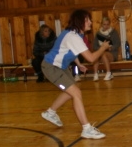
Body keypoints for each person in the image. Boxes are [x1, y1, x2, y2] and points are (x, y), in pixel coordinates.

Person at [40, 9, 111, 140]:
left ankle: (50, 112)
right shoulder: (73, 37)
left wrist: (78, 64)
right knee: (76, 93)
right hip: (52, 68)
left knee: (70, 92)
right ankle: (86, 129)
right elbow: (91, 58)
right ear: (79, 22)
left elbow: (71, 50)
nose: (90, 22)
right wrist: (103, 48)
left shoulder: (75, 34)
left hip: (61, 67)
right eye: (87, 20)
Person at [91, 16, 120, 81]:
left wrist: (111, 48)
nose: (106, 26)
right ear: (101, 24)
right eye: (104, 24)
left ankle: (108, 73)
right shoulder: (98, 34)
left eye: (107, 24)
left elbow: (117, 43)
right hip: (101, 52)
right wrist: (102, 48)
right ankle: (95, 74)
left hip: (112, 53)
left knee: (103, 54)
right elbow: (94, 46)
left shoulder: (113, 32)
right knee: (96, 55)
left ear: (109, 24)